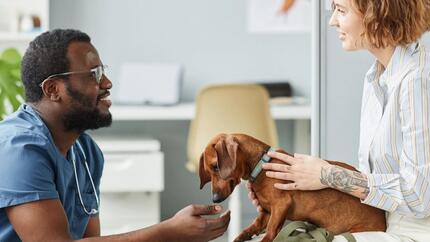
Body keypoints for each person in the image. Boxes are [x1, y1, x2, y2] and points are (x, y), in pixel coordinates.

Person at [0, 29, 230, 242]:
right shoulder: (18, 149)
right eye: (93, 75)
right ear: (52, 89)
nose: (107, 83)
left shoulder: (86, 151)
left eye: (103, 72)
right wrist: (167, 232)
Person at [248, 0, 430, 241]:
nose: (332, 20)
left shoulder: (416, 80)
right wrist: (293, 197)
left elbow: (419, 197)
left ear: (377, 13)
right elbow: (374, 183)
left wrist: (327, 174)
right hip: (385, 222)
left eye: (341, 10)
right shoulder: (376, 77)